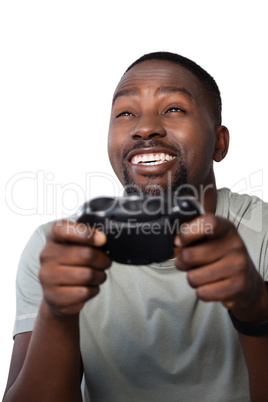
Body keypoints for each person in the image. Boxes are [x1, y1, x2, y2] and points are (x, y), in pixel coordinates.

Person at [3, 51, 268, 402]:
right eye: (125, 113)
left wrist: (256, 309)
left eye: (173, 108)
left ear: (219, 142)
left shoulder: (262, 233)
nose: (144, 128)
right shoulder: (56, 249)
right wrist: (57, 310)